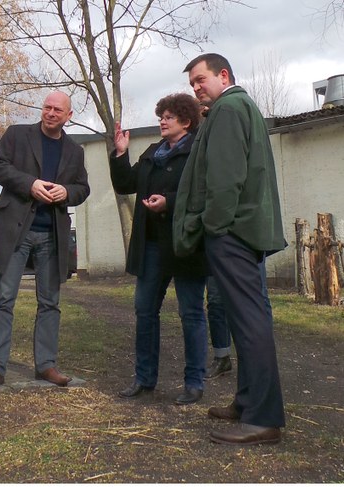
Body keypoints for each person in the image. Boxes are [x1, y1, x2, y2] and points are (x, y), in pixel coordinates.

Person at [173, 53, 286, 445]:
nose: (196, 88)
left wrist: (213, 227)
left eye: (201, 79)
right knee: (245, 320)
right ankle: (247, 403)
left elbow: (224, 180)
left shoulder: (227, 109)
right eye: (192, 84)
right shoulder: (243, 107)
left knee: (250, 323)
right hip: (244, 232)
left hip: (233, 234)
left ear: (223, 75)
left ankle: (263, 418)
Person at [0, 91, 90, 390]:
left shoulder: (75, 151)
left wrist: (67, 192)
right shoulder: (16, 135)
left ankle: (47, 366)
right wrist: (30, 184)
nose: (50, 113)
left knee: (50, 302)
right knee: (3, 299)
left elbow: (82, 188)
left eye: (57, 110)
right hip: (15, 230)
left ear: (69, 115)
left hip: (52, 233)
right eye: (47, 107)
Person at [110, 93, 208, 405]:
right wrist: (120, 153)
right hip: (151, 245)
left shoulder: (198, 152)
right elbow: (126, 183)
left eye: (169, 116)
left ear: (186, 121)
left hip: (185, 245)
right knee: (145, 311)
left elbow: (204, 194)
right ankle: (144, 378)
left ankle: (194, 383)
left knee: (191, 313)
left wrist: (170, 201)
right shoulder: (153, 152)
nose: (162, 121)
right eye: (161, 115)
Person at [205, 258, 273, 380]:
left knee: (258, 298)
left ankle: (263, 359)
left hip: (252, 244)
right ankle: (222, 359)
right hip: (217, 244)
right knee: (215, 300)